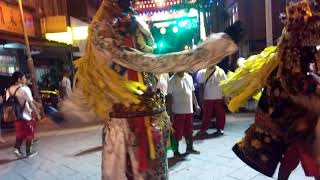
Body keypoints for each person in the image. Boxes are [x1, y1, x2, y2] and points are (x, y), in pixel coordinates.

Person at [59, 0, 239, 179]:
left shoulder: (130, 18)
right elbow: (146, 62)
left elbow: (150, 59)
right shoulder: (104, 28)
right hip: (128, 131)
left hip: (150, 124)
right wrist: (206, 53)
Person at [6, 71, 40, 158]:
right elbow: (31, 103)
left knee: (20, 134)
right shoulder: (23, 90)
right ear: (19, 79)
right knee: (30, 134)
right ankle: (29, 152)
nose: (25, 79)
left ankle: (16, 149)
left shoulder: (9, 89)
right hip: (26, 116)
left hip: (16, 116)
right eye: (24, 78)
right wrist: (37, 114)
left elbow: (8, 103)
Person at [167, 72, 201, 157]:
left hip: (189, 109)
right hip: (178, 111)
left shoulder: (189, 77)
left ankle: (190, 147)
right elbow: (169, 97)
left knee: (189, 130)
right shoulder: (172, 80)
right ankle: (176, 151)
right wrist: (170, 112)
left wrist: (196, 105)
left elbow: (192, 93)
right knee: (177, 132)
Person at [196, 65, 227, 137]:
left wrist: (225, 97)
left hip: (219, 97)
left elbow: (224, 85)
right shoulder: (202, 72)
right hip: (207, 98)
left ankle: (220, 128)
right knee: (206, 115)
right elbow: (201, 86)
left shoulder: (221, 71)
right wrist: (201, 99)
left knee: (220, 114)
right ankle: (203, 129)